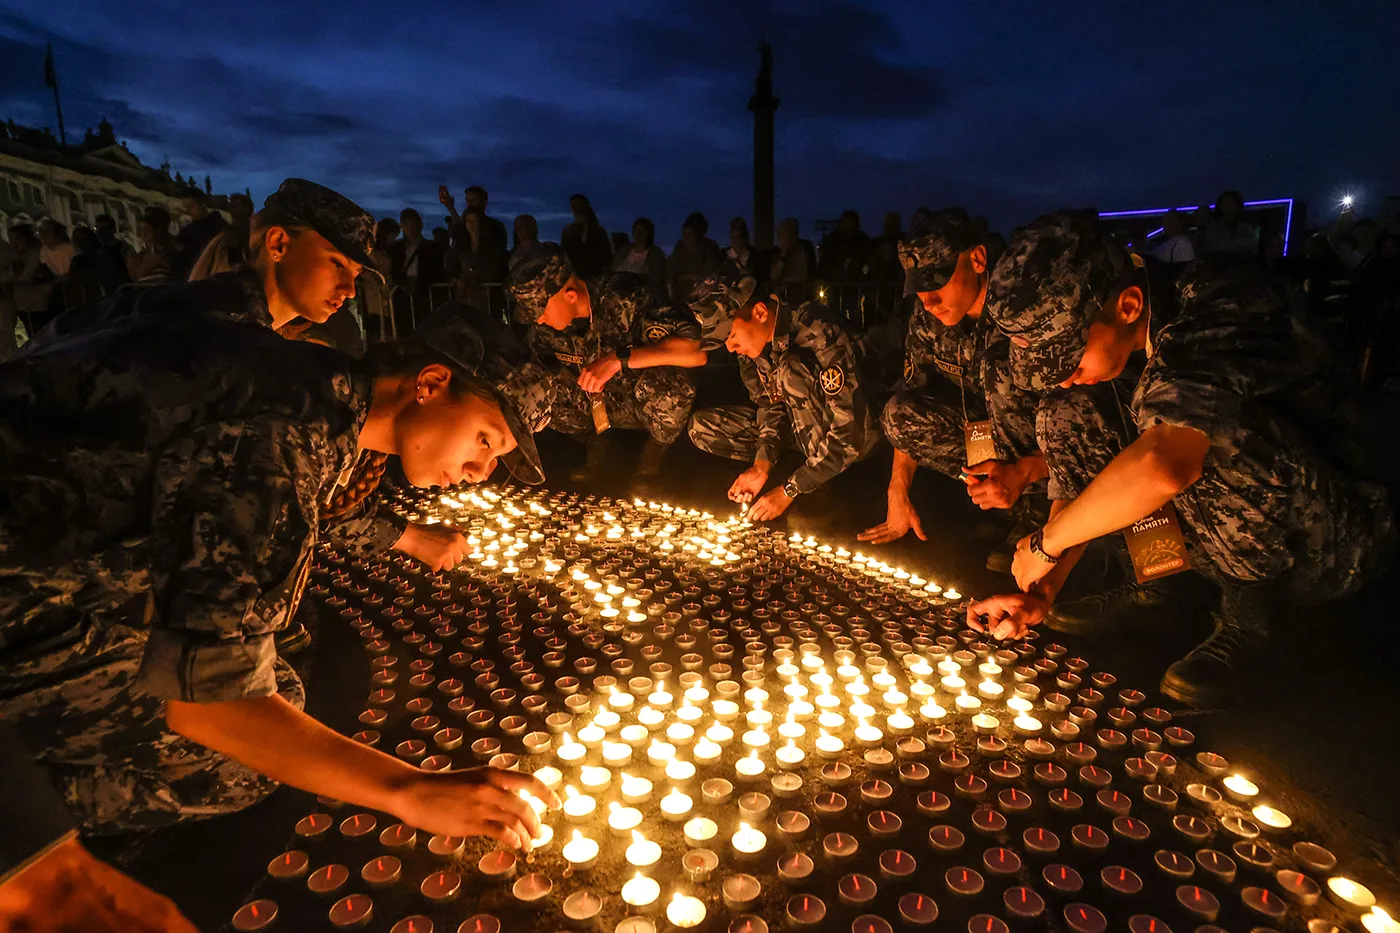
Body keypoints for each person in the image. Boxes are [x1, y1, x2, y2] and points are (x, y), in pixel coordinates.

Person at [0, 304, 555, 895]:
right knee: (243, 766)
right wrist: (409, 789)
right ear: (430, 384)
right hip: (20, 598)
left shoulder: (296, 377)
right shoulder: (278, 436)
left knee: (279, 680)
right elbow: (209, 702)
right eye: (485, 440)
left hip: (50, 555)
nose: (479, 472)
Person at [971, 209, 1392, 705]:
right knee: (1066, 411)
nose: (1062, 375)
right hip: (1224, 538)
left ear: (1127, 305)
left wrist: (1046, 542)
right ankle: (1160, 586)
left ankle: (1253, 625)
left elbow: (1164, 466)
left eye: (1069, 358)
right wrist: (1043, 587)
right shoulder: (1129, 340)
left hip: (1329, 535)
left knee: (1199, 434)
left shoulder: (1222, 303)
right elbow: (1087, 465)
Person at [859, 208, 1046, 548]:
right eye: (919, 289)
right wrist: (897, 490)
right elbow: (915, 390)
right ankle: (990, 495)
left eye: (937, 283)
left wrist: (1028, 471)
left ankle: (1035, 510)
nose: (929, 302)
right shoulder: (926, 318)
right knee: (899, 416)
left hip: (1043, 447)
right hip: (980, 436)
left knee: (1000, 378)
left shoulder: (1026, 311)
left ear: (977, 259)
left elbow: (1070, 417)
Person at [688, 266, 879, 521]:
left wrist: (790, 489)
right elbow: (769, 406)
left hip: (858, 433)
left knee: (790, 372)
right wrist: (761, 465)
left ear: (760, 312)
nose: (731, 348)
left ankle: (817, 488)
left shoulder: (816, 329)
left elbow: (850, 430)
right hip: (802, 428)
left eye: (732, 335)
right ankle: (794, 466)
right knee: (702, 427)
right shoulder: (753, 349)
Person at [510, 243, 704, 485]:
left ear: (571, 296)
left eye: (540, 310)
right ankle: (598, 447)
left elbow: (697, 350)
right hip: (597, 406)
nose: (538, 319)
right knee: (540, 388)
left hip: (641, 398)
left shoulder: (629, 296)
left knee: (670, 381)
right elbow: (531, 369)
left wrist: (618, 359)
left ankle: (654, 456)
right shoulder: (544, 327)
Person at [389, 208, 448, 332]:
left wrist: (420, 282)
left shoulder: (434, 248)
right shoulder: (396, 249)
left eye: (413, 223)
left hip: (424, 294)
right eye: (407, 224)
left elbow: (437, 271)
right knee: (406, 328)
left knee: (425, 327)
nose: (411, 227)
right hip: (404, 295)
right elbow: (394, 270)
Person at [188, 192, 255, 280]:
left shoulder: (254, 230)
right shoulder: (226, 231)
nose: (231, 209)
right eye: (231, 206)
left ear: (245, 209)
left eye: (235, 206)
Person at [667, 212, 722, 306]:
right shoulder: (679, 247)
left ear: (699, 235)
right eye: (685, 233)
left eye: (691, 234)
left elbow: (708, 275)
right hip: (680, 293)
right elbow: (671, 271)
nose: (687, 238)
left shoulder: (709, 247)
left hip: (702, 294)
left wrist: (688, 277)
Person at [175, 188, 227, 277]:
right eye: (186, 207)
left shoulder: (219, 225)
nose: (188, 210)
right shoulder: (186, 231)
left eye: (191, 206)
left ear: (203, 204)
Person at [126, 206, 183, 284]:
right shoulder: (142, 254)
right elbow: (136, 277)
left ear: (158, 230)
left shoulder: (173, 249)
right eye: (141, 228)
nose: (142, 233)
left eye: (147, 229)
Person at [560, 194, 612, 278]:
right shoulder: (568, 231)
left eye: (578, 205)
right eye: (573, 206)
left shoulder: (598, 231)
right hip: (574, 276)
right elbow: (563, 253)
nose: (576, 209)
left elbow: (606, 256)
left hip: (595, 276)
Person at [612, 217, 668, 290]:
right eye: (636, 231)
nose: (638, 235)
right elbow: (613, 269)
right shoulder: (625, 250)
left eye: (641, 232)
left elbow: (657, 278)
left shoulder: (656, 254)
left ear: (648, 234)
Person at [1201, 190, 1259, 260]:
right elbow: (1217, 246)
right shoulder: (1213, 227)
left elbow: (1252, 246)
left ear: (1238, 205)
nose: (1228, 205)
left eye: (1231, 202)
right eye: (1225, 202)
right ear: (1220, 206)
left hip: (1244, 264)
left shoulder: (1246, 226)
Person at [93, 215, 133, 285]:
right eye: (97, 228)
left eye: (104, 229)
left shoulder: (124, 248)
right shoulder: (97, 250)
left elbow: (132, 272)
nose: (99, 232)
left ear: (113, 229)